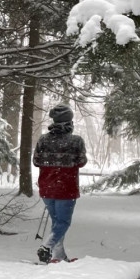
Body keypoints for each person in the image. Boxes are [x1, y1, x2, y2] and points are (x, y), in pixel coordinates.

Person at [32, 104, 88, 263]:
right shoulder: (76, 141)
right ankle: (47, 246)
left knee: (57, 223)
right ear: (69, 122)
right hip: (66, 189)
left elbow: (36, 161)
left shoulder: (43, 139)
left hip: (47, 188)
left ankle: (59, 256)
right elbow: (82, 161)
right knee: (63, 223)